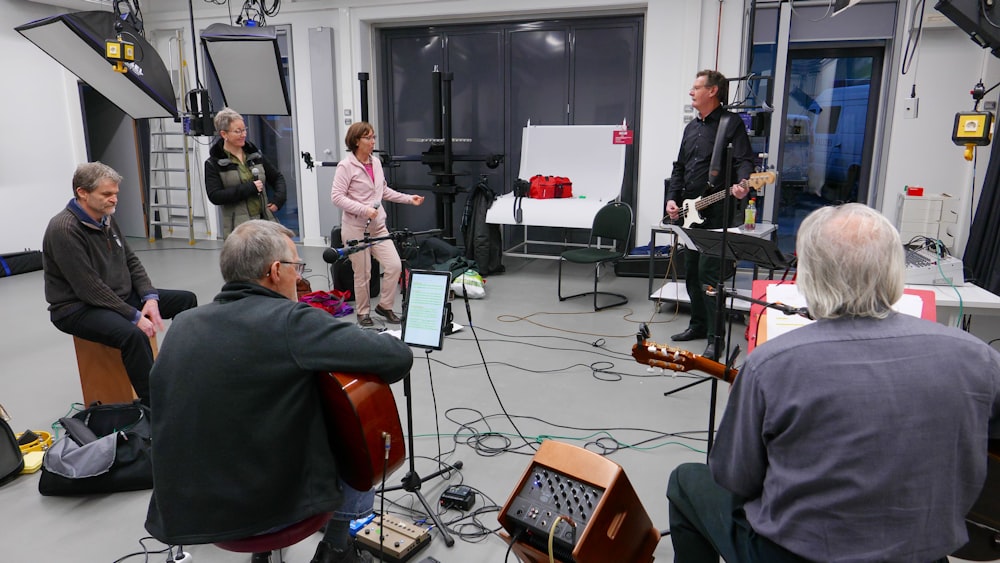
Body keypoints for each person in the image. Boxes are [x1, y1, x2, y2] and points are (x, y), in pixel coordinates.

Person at [666, 204, 1000, 563]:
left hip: (797, 556)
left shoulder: (770, 365)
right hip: (923, 555)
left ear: (809, 276)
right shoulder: (978, 356)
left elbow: (735, 479)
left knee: (685, 481)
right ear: (895, 270)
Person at [144, 220, 414, 563]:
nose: (299, 277)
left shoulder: (184, 324)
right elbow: (397, 358)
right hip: (267, 513)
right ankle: (336, 548)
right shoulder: (290, 321)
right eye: (296, 267)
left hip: (192, 511)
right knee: (356, 432)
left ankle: (264, 554)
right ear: (275, 271)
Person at [42, 162, 198, 406]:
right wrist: (134, 316)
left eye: (115, 193)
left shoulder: (105, 218)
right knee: (132, 336)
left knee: (186, 300)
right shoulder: (64, 229)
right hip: (77, 308)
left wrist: (150, 297)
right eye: (106, 194)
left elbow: (131, 261)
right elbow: (89, 288)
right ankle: (157, 406)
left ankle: (184, 370)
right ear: (82, 192)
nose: (114, 200)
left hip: (116, 298)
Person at [665, 69, 755, 360]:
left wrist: (744, 184)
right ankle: (698, 325)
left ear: (713, 91)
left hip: (718, 215)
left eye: (696, 88)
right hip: (690, 214)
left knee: (709, 276)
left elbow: (744, 161)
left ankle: (717, 338)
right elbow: (679, 167)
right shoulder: (691, 128)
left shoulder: (731, 124)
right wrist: (672, 199)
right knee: (691, 271)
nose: (691, 92)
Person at [331, 121, 424, 327]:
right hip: (355, 228)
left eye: (374, 137)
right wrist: (364, 209)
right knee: (363, 273)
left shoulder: (376, 163)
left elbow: (383, 191)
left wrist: (409, 199)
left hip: (378, 227)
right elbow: (337, 197)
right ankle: (363, 312)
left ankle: (385, 306)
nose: (373, 141)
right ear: (356, 141)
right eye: (369, 137)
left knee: (394, 265)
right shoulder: (346, 166)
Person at [205, 107, 287, 238]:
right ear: (224, 134)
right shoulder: (213, 163)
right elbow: (215, 196)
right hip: (239, 230)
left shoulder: (255, 155)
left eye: (244, 130)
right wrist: (249, 188)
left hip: (265, 223)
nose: (243, 134)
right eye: (238, 131)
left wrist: (278, 200)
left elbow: (277, 178)